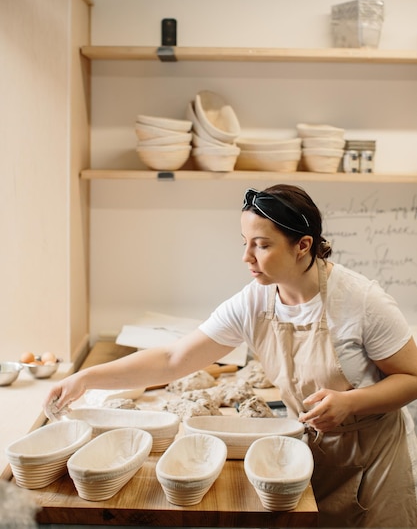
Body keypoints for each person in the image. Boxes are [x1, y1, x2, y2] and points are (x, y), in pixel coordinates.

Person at [44, 184, 417, 528]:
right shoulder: (255, 301)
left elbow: (412, 378)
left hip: (372, 463)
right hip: (306, 454)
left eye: (262, 245)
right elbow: (174, 359)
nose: (246, 257)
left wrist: (351, 403)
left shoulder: (362, 302)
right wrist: (85, 378)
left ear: (302, 245)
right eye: (244, 242)